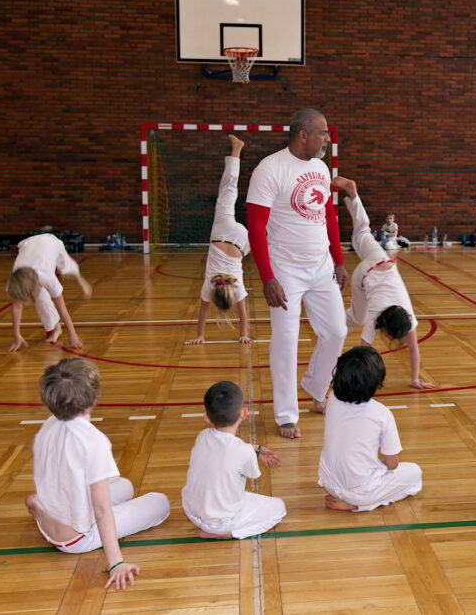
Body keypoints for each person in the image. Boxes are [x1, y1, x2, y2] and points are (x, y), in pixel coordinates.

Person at [246, 108, 349, 439]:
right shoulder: (270, 169)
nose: (327, 139)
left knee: (336, 331)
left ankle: (317, 389)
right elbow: (255, 227)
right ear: (303, 134)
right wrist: (267, 276)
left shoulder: (320, 166)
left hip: (321, 266)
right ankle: (286, 415)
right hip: (285, 269)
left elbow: (329, 217)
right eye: (322, 133)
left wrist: (339, 260)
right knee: (286, 342)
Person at [25, 359, 170, 591]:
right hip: (74, 539)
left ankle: (39, 508)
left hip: (50, 516)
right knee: (160, 502)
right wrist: (116, 563)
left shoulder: (50, 424)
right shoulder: (94, 442)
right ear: (95, 395)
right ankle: (52, 516)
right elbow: (102, 510)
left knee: (125, 486)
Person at [331, 176, 436, 389]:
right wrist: (413, 380)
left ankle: (353, 194)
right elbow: (364, 349)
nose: (387, 337)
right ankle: (332, 328)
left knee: (362, 232)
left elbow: (413, 348)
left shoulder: (406, 314)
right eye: (389, 335)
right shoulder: (374, 317)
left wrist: (416, 379)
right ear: (386, 326)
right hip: (364, 275)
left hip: (383, 261)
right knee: (356, 318)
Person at [318, 346, 422, 512]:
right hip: (361, 492)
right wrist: (377, 465)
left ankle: (355, 500)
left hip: (329, 484)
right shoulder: (382, 413)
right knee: (415, 473)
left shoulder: (332, 399)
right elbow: (392, 464)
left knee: (367, 469)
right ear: (376, 382)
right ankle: (360, 505)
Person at [182, 381, 285, 538]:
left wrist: (254, 449)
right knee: (279, 507)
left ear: (206, 417)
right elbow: (253, 474)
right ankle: (227, 533)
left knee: (226, 489)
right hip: (221, 521)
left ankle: (213, 527)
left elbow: (225, 451)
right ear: (244, 414)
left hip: (192, 512)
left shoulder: (202, 436)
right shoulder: (242, 451)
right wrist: (252, 451)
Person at [186, 135, 253, 345]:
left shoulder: (236, 287)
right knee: (228, 187)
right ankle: (237, 149)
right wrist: (200, 335)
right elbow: (203, 312)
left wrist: (243, 334)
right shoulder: (209, 285)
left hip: (243, 243)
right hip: (222, 233)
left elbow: (243, 313)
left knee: (270, 235)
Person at [6, 233, 93, 352]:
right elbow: (16, 306)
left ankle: (79, 279)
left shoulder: (47, 276)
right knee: (41, 297)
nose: (31, 296)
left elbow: (62, 307)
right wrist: (17, 336)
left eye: (31, 292)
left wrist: (72, 334)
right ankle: (56, 327)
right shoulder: (16, 279)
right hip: (28, 245)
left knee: (67, 268)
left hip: (51, 242)